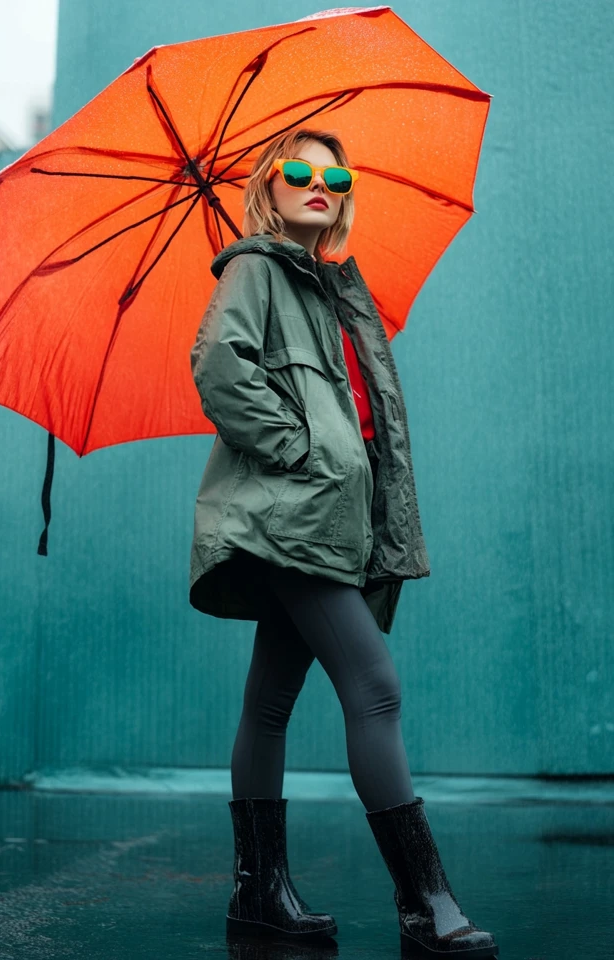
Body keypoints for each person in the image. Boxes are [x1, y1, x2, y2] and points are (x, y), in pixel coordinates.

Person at [189, 127, 498, 959]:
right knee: (375, 688)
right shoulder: (255, 267)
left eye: (334, 173)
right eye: (298, 171)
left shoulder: (325, 286)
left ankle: (260, 896)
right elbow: (218, 363)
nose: (318, 182)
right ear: (269, 187)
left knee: (270, 703)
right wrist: (295, 449)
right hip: (293, 514)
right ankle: (423, 903)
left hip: (329, 521)